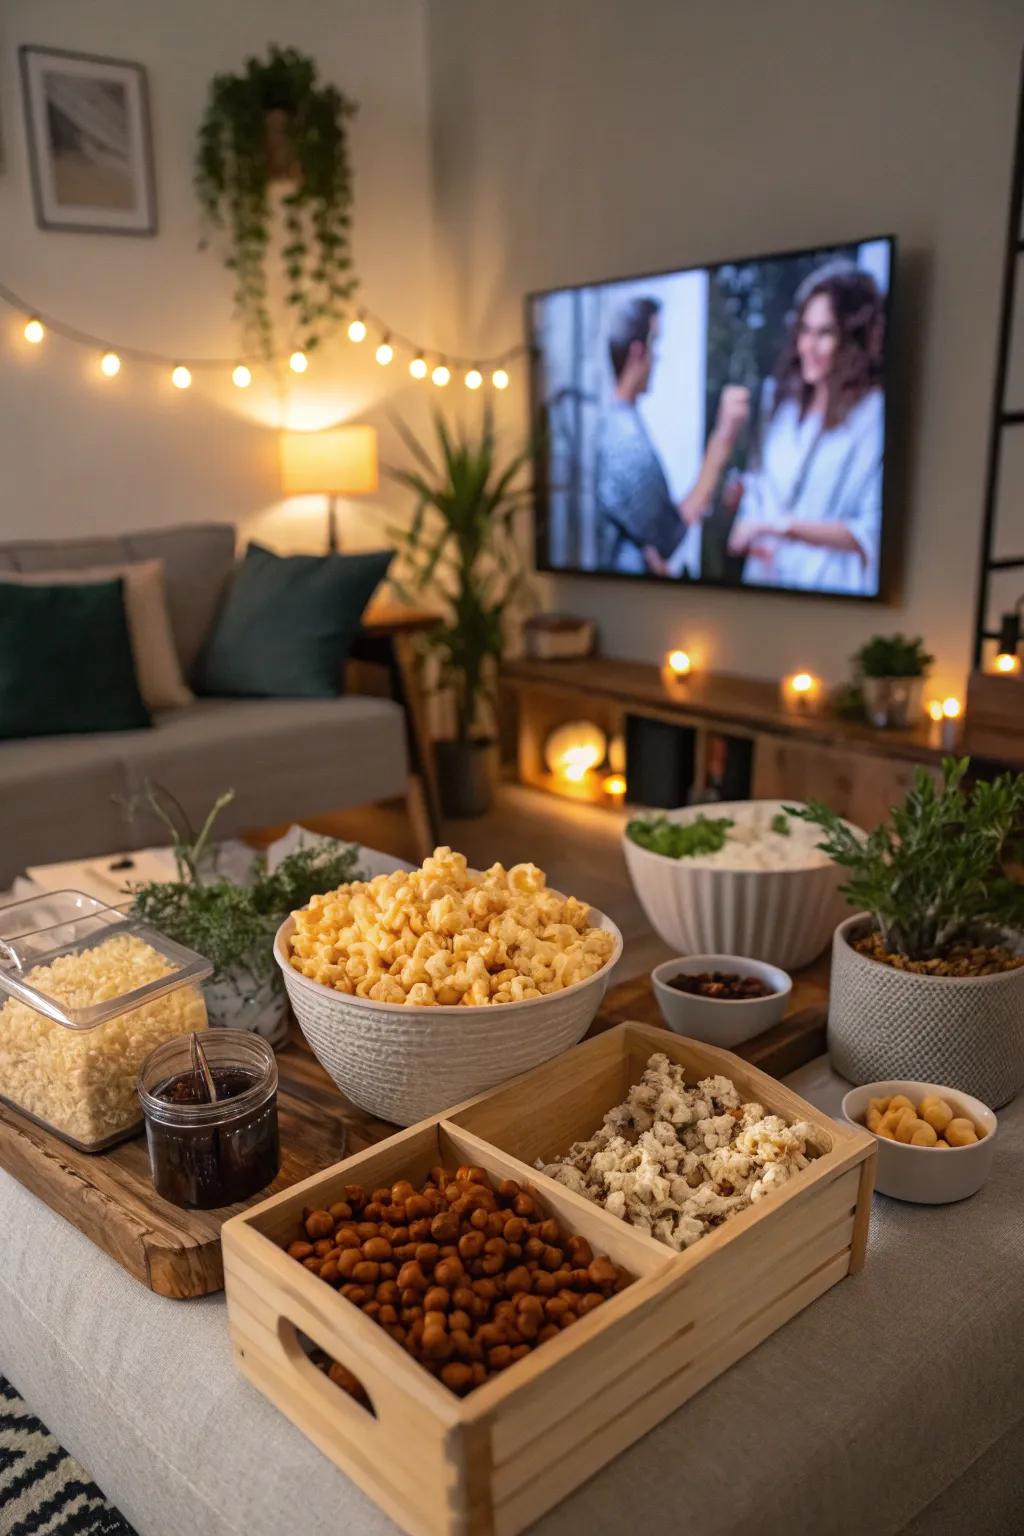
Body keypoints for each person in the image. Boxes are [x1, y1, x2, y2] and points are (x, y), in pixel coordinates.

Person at [724, 263, 886, 595]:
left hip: (832, 595)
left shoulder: (873, 414)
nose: (808, 346)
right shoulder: (784, 405)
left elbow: (869, 530)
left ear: (853, 339)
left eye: (825, 333)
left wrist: (779, 527)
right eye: (805, 331)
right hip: (765, 585)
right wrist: (746, 497)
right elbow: (767, 489)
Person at [595, 297, 744, 574]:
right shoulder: (625, 440)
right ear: (638, 352)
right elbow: (669, 536)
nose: (658, 357)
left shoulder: (614, 423)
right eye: (655, 343)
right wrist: (722, 439)